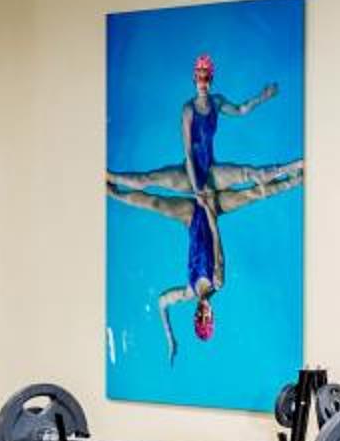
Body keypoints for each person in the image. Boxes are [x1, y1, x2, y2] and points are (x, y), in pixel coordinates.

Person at [104, 53, 298, 360]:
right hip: (209, 205)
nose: (204, 312)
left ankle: (111, 189)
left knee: (152, 202)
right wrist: (204, 201)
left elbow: (162, 302)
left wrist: (170, 338)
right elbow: (216, 238)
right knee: (253, 193)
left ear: (196, 314)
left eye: (200, 316)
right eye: (208, 317)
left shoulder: (188, 291)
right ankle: (297, 174)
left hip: (190, 214)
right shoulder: (219, 281)